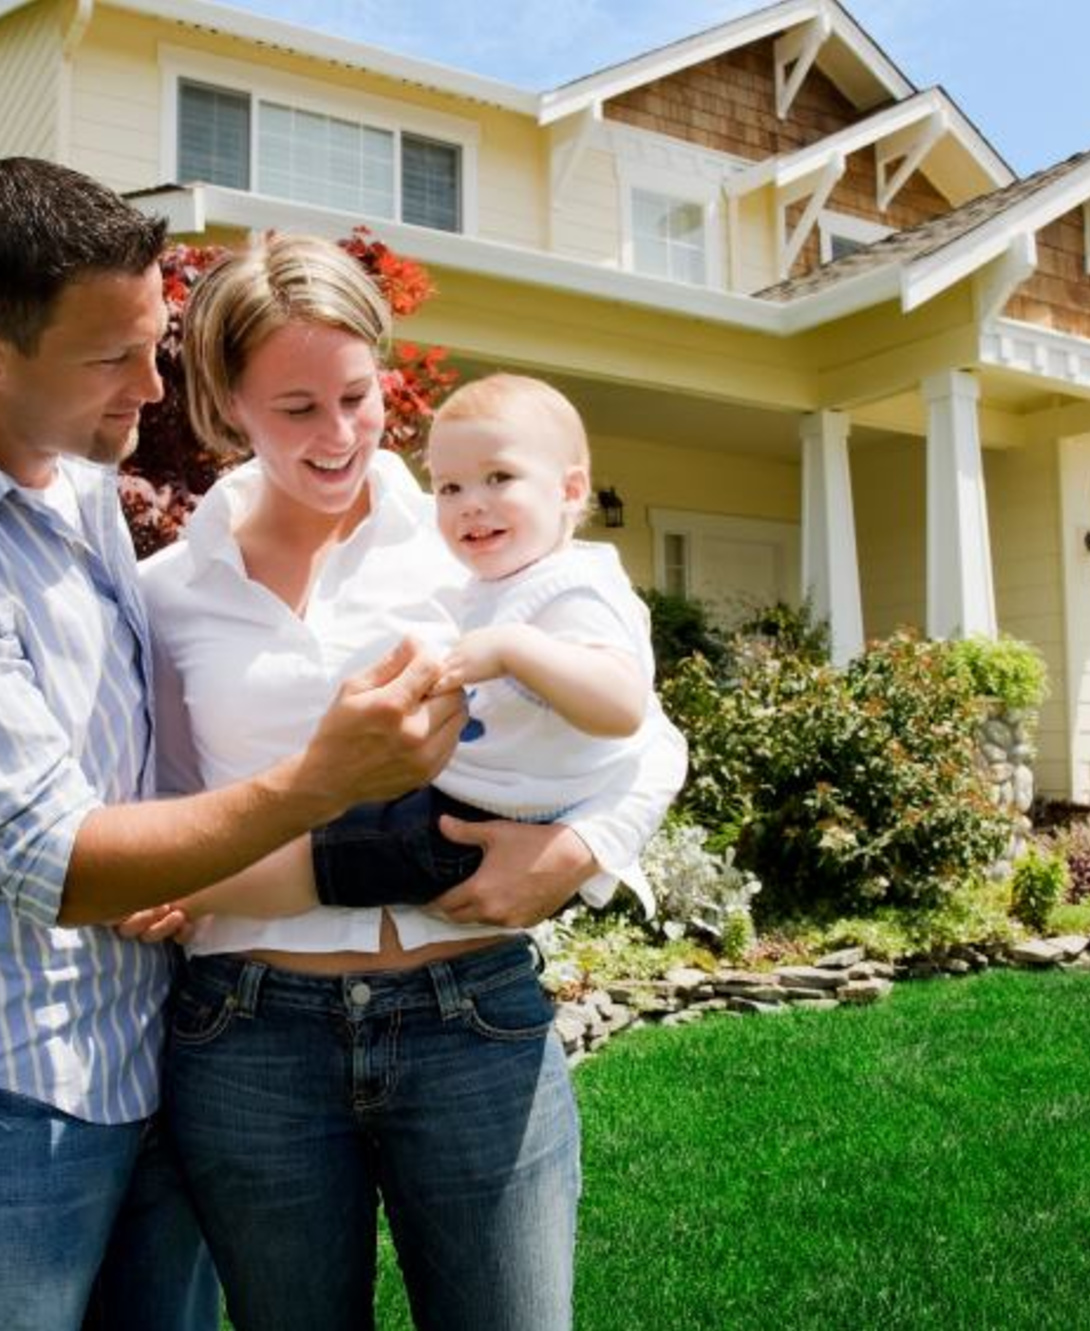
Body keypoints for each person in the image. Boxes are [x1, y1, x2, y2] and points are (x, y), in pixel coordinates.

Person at [0, 158, 471, 1331]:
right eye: (112, 358)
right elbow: (56, 861)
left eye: (154, 341)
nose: (154, 386)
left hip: (147, 1057)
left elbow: (135, 750)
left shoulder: (75, 484)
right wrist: (321, 782)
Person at [139, 234, 686, 1331]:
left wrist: (577, 852)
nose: (338, 435)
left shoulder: (465, 530)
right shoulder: (167, 591)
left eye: (355, 394)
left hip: (467, 1014)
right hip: (248, 1036)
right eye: (294, 407)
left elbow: (649, 734)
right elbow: (172, 801)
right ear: (226, 403)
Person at [153, 372, 663, 923]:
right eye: (450, 487)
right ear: (234, 411)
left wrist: (515, 649)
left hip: (491, 819)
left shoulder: (571, 587)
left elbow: (627, 710)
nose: (471, 505)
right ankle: (181, 890)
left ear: (569, 490)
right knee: (337, 846)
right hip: (467, 799)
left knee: (330, 859)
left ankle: (183, 896)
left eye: (500, 478)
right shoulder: (492, 578)